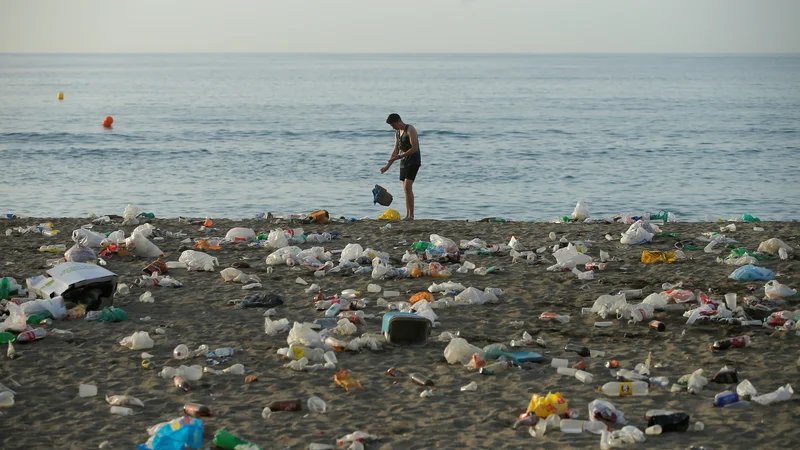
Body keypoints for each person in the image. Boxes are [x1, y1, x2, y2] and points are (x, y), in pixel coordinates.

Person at [380, 113, 421, 220]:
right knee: (405, 189)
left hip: (413, 161)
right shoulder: (397, 133)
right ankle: (407, 214)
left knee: (408, 187)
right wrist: (387, 166)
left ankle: (411, 215)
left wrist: (399, 156)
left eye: (393, 125)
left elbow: (414, 148)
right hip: (403, 162)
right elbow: (395, 150)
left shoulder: (410, 129)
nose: (393, 128)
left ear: (399, 121)